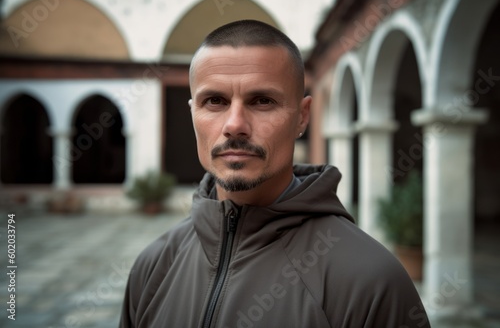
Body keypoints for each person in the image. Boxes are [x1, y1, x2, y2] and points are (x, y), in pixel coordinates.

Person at [119, 20, 430, 328]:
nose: (234, 125)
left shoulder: (371, 282)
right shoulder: (153, 267)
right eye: (215, 101)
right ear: (193, 114)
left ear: (302, 117)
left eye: (262, 101)